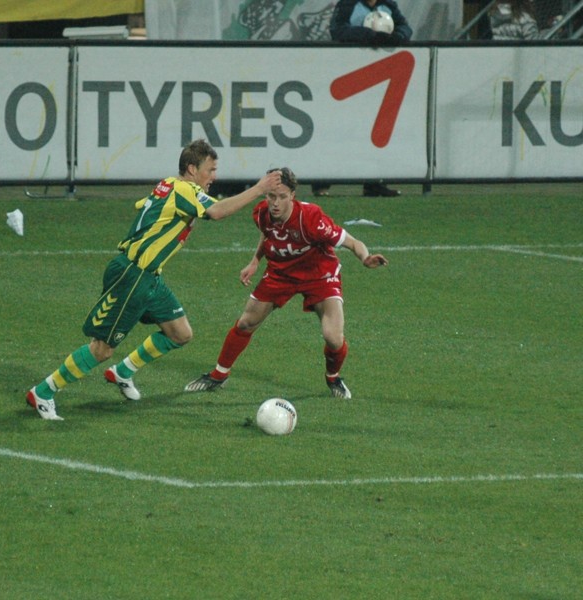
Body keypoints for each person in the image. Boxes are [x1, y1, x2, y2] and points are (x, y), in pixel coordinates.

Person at [26, 139, 282, 420]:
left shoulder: (169, 185)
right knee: (101, 349)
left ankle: (122, 373)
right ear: (192, 168)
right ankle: (44, 392)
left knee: (180, 333)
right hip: (133, 274)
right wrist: (259, 189)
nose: (214, 176)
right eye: (211, 170)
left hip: (149, 278)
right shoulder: (183, 189)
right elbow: (217, 212)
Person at [184, 167, 388, 400]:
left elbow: (351, 241)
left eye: (282, 197)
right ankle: (218, 375)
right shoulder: (261, 213)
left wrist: (365, 258)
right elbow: (267, 234)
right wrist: (254, 261)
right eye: (271, 196)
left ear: (293, 195)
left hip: (318, 273)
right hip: (281, 272)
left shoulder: (311, 218)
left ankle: (333, 378)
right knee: (245, 323)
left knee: (333, 337)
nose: (276, 203)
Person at [311, 0, 413, 199]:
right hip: (348, 74)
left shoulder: (388, 5)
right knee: (339, 128)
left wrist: (397, 37)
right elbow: (338, 31)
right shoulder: (348, 4)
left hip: (380, 76)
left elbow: (405, 27)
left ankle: (374, 182)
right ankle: (322, 182)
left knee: (375, 130)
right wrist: (369, 35)